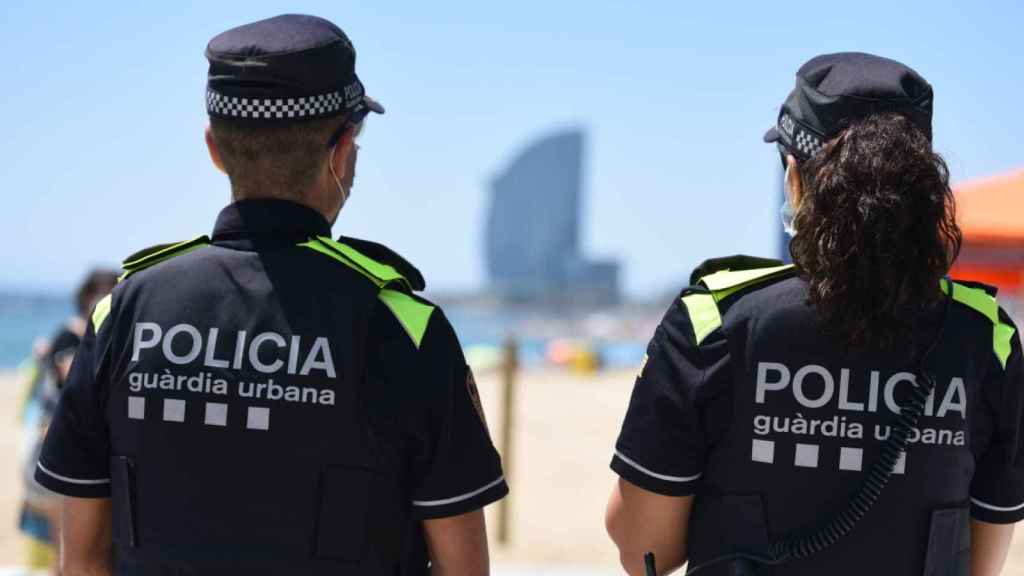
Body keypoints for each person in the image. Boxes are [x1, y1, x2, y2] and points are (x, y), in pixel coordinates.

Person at [34, 14, 507, 576]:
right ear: (342, 150)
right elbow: (464, 568)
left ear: (213, 148)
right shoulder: (403, 326)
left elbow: (81, 560)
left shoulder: (123, 312)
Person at [605, 52, 1024, 576]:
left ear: (795, 174)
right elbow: (983, 563)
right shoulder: (987, 338)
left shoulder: (716, 318)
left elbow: (644, 550)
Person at [18, 269, 118, 575]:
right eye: (101, 293)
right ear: (87, 298)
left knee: (70, 550)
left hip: (62, 452)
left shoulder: (91, 336)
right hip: (58, 453)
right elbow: (70, 378)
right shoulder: (74, 336)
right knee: (69, 551)